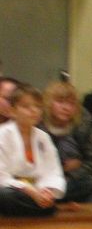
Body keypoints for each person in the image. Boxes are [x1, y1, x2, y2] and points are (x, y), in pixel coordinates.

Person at [0, 85, 66, 217]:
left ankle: (42, 205)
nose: (34, 111)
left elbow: (53, 171)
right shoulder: (3, 135)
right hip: (13, 190)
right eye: (26, 107)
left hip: (37, 191)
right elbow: (2, 177)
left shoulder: (43, 137)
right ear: (13, 111)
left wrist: (47, 191)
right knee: (5, 195)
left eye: (38, 106)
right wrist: (29, 190)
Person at [41, 81, 92, 203]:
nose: (66, 108)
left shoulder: (84, 122)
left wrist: (72, 174)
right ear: (49, 104)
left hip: (76, 179)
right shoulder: (38, 123)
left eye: (71, 104)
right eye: (60, 102)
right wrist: (63, 169)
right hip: (44, 180)